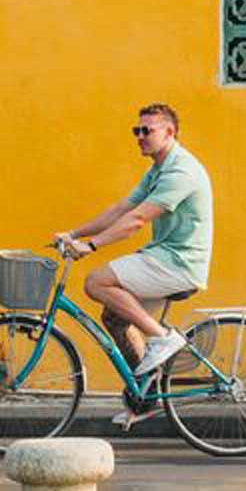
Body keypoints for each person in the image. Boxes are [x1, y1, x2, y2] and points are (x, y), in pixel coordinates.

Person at [55, 102, 215, 388]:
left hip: (179, 263)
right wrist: (74, 234)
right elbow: (122, 209)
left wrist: (91, 247)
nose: (140, 136)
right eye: (136, 130)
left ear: (169, 132)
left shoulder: (181, 172)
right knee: (115, 318)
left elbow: (137, 219)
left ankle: (163, 338)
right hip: (164, 257)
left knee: (96, 282)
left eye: (146, 130)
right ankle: (145, 394)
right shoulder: (158, 168)